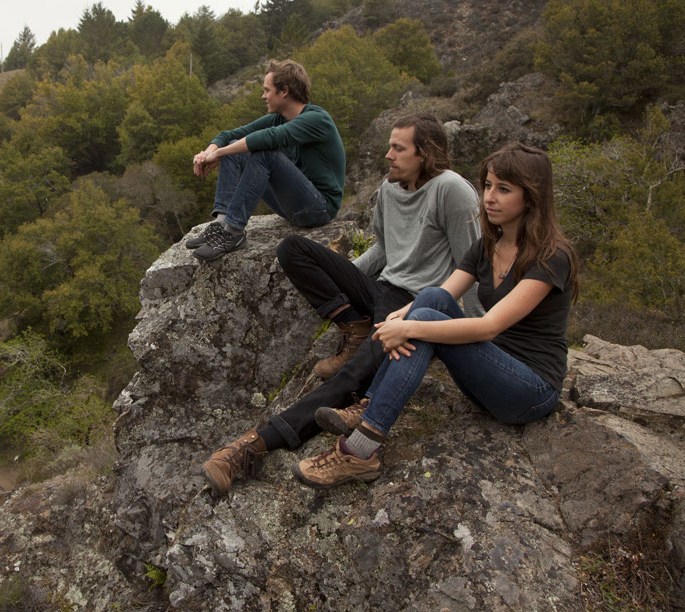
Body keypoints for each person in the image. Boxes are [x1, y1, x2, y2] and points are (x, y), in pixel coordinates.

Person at [201, 113, 480, 496]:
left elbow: (473, 265)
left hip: (420, 305)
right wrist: (344, 277)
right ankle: (354, 324)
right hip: (381, 288)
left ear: (425, 152)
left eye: (398, 148)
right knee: (293, 249)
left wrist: (479, 334)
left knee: (350, 377)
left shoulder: (453, 190)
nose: (387, 155)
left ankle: (251, 445)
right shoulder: (389, 188)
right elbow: (384, 248)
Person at [291, 142, 578, 489]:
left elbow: (490, 327)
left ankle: (361, 450)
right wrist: (400, 318)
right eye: (487, 185)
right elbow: (442, 295)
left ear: (531, 198)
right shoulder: (488, 245)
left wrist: (413, 326)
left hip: (529, 392)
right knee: (429, 298)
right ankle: (369, 406)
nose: (489, 197)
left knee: (426, 319)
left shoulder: (552, 256)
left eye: (504, 189)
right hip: (488, 375)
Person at [188, 59, 346, 261]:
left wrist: (219, 154)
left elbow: (268, 138)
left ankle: (234, 232)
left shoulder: (317, 119)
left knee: (263, 152)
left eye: (267, 90)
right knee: (235, 145)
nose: (263, 96)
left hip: (319, 208)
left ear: (284, 91)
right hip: (294, 204)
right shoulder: (279, 118)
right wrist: (207, 152)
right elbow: (229, 135)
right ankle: (222, 224)